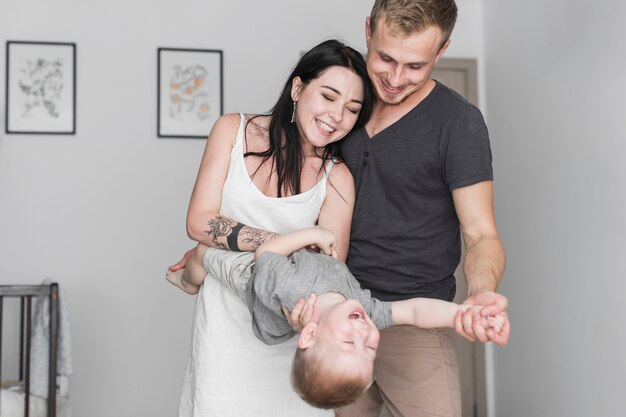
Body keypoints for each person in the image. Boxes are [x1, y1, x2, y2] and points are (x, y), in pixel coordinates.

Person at [289, 1, 508, 416]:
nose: (393, 78)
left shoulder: (458, 124)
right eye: (385, 58)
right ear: (368, 31)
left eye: (414, 66)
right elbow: (293, 187)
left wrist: (481, 293)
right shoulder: (344, 103)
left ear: (441, 52)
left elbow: (481, 233)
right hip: (339, 315)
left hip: (415, 323)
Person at [168, 39, 374, 417]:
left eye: (352, 109)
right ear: (298, 88)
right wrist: (283, 243)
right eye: (328, 96)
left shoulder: (338, 177)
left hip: (293, 351)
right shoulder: (232, 131)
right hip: (223, 343)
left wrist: (213, 253)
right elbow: (199, 222)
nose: (337, 116)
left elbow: (327, 268)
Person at [167, 226, 507, 410]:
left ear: (311, 333)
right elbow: (416, 311)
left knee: (209, 258)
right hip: (299, 288)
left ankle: (186, 279)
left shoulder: (292, 288)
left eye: (349, 342)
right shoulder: (363, 311)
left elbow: (265, 253)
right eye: (370, 349)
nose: (365, 335)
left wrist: (312, 235)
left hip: (254, 276)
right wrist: (463, 313)